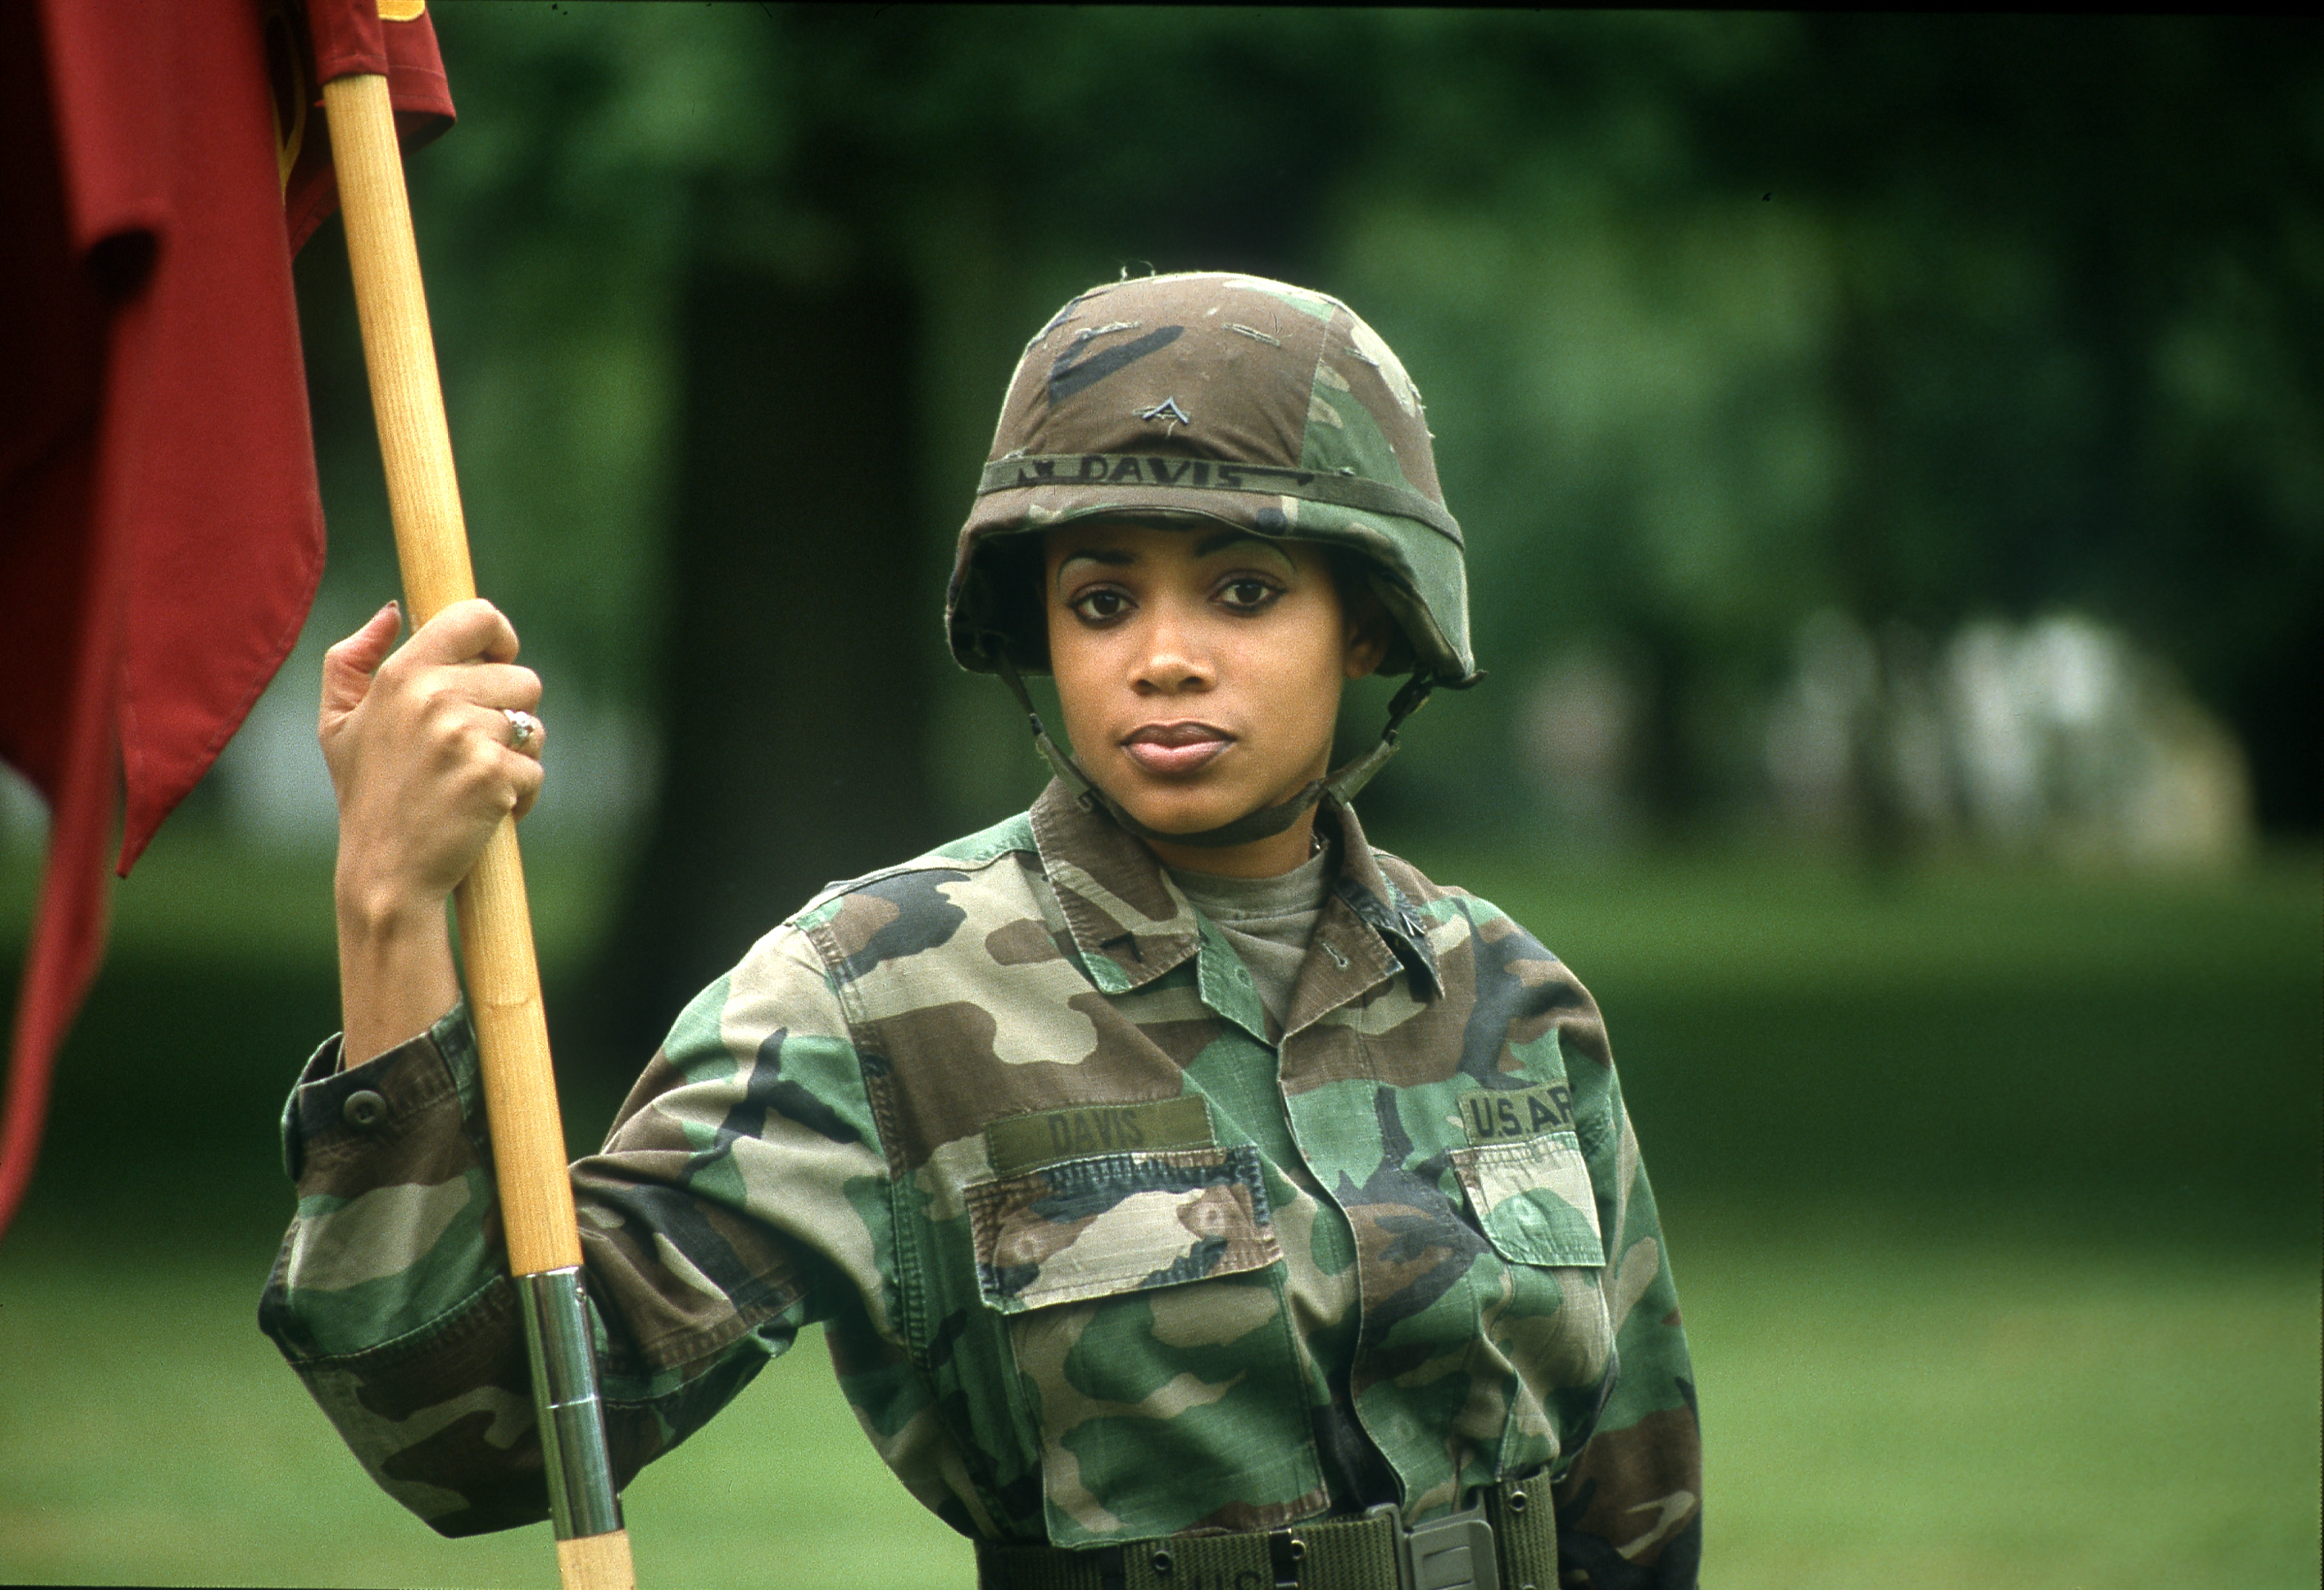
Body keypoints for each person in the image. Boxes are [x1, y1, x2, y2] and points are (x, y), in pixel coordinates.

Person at [263, 272, 1702, 1589]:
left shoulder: (1509, 995)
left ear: (1372, 625)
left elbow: (1638, 1507)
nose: (1164, 655)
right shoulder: (874, 994)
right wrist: (388, 900)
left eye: (1245, 590)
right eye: (1101, 599)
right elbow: (484, 1434)